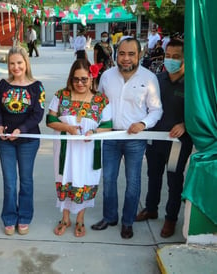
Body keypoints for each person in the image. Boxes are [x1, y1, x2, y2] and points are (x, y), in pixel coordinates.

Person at [91, 38, 163, 239]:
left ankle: (128, 221)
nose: (126, 58)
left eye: (131, 54)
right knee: (108, 179)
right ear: (116, 54)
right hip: (111, 136)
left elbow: (156, 110)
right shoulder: (106, 76)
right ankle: (110, 217)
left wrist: (143, 124)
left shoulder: (149, 78)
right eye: (122, 53)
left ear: (139, 55)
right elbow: (98, 104)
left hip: (135, 139)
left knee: (133, 182)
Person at [46, 59, 112, 237]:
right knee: (65, 178)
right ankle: (65, 218)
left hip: (88, 151)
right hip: (65, 150)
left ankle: (80, 218)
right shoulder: (61, 95)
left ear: (92, 77)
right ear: (71, 79)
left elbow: (108, 125)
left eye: (84, 79)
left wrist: (94, 131)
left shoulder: (100, 100)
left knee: (84, 181)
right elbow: (50, 120)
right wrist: (68, 128)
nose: (80, 83)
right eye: (76, 79)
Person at [135, 39, 193, 238]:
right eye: (168, 56)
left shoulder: (193, 84)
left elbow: (200, 113)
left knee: (174, 179)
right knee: (153, 175)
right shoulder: (156, 80)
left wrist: (185, 125)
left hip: (178, 143)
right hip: (155, 138)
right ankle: (151, 208)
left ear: (186, 58)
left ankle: (171, 219)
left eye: (176, 57)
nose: (171, 60)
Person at [0, 47, 45, 236]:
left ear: (26, 63)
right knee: (10, 182)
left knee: (26, 180)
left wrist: (20, 130)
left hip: (28, 140)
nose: (16, 67)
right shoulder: (4, 85)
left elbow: (38, 114)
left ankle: (24, 217)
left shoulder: (36, 86)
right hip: (5, 140)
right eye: (12, 63)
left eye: (19, 63)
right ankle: (9, 217)